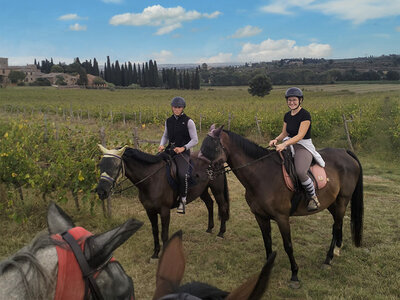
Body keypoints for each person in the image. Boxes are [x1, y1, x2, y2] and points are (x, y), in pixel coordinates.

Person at [269, 87, 325, 212]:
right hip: (288, 143)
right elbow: (284, 133)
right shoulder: (287, 115)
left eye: (294, 100)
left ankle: (313, 197)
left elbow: (300, 136)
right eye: (289, 100)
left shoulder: (305, 115)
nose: (291, 102)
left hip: (303, 146)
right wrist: (276, 140)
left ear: (300, 100)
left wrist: (284, 144)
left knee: (300, 171)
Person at [158, 96, 198, 214]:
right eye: (175, 107)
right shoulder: (168, 121)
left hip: (182, 153)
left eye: (179, 107)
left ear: (183, 108)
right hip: (169, 151)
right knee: (155, 165)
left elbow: (195, 140)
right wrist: (161, 145)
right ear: (172, 107)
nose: (176, 109)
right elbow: (165, 136)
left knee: (182, 174)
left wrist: (183, 148)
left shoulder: (189, 122)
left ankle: (183, 201)